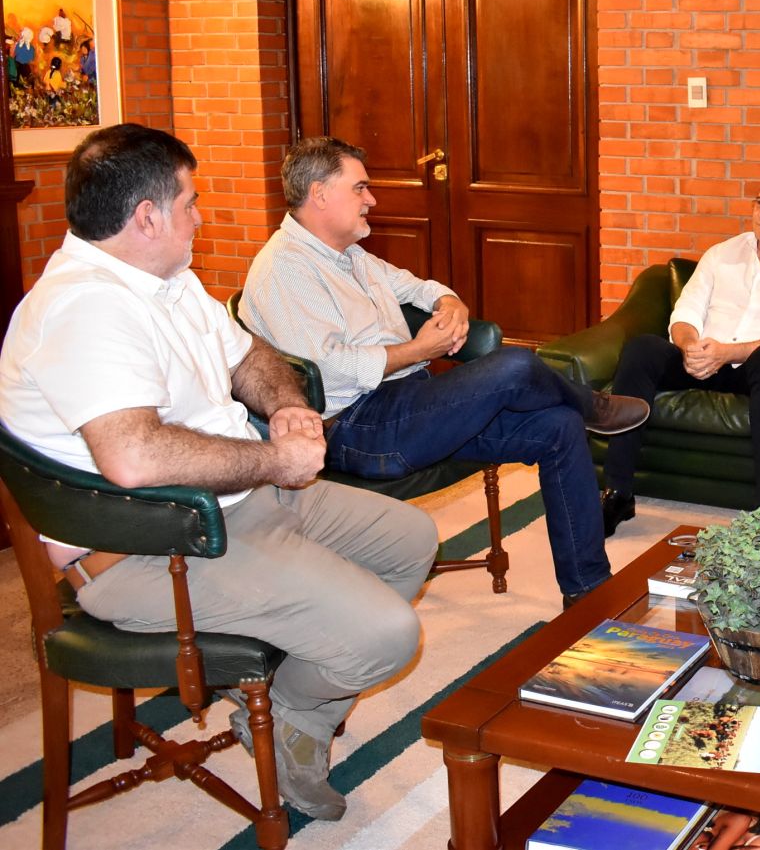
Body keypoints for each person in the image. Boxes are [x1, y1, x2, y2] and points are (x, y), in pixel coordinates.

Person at [0, 124, 438, 821]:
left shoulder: (166, 281)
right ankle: (299, 709)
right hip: (154, 549)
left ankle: (294, 712)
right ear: (148, 216)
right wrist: (275, 458)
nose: (201, 217)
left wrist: (286, 405)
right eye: (191, 202)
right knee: (388, 636)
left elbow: (249, 354)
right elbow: (135, 456)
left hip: (234, 506)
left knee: (411, 540)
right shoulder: (83, 309)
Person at [240, 137, 646, 606]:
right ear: (320, 194)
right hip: (357, 427)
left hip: (409, 404)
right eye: (360, 188)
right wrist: (419, 349)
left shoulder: (348, 254)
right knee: (516, 363)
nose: (372, 199)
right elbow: (331, 370)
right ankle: (593, 405)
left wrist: (449, 302)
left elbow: (416, 287)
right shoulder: (285, 269)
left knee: (559, 425)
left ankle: (588, 593)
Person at [599, 171, 760, 529]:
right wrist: (690, 346)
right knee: (642, 349)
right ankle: (618, 492)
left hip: (754, 371)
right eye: (759, 203)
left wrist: (727, 352)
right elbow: (686, 311)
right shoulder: (722, 254)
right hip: (699, 359)